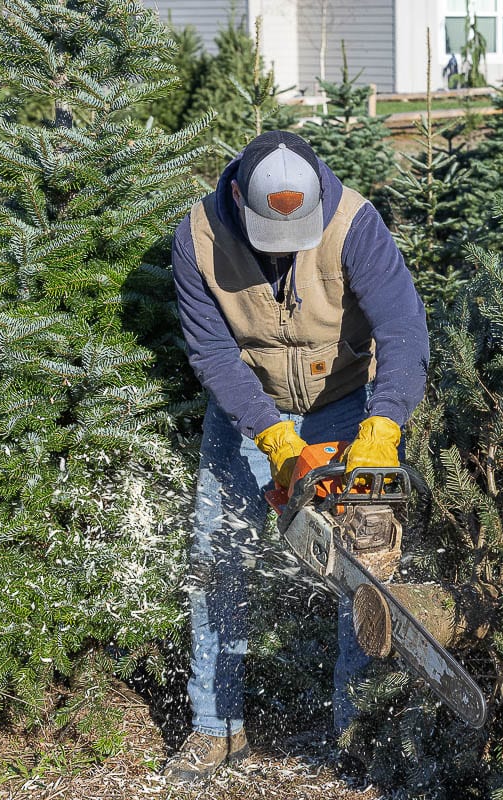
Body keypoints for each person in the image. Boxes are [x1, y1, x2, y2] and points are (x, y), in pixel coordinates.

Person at [161, 130, 429, 785]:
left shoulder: (352, 223)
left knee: (361, 567)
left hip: (343, 403)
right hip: (246, 412)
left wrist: (381, 430)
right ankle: (215, 727)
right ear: (236, 196)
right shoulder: (197, 236)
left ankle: (357, 730)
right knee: (217, 559)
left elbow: (403, 333)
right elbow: (215, 356)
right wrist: (275, 441)